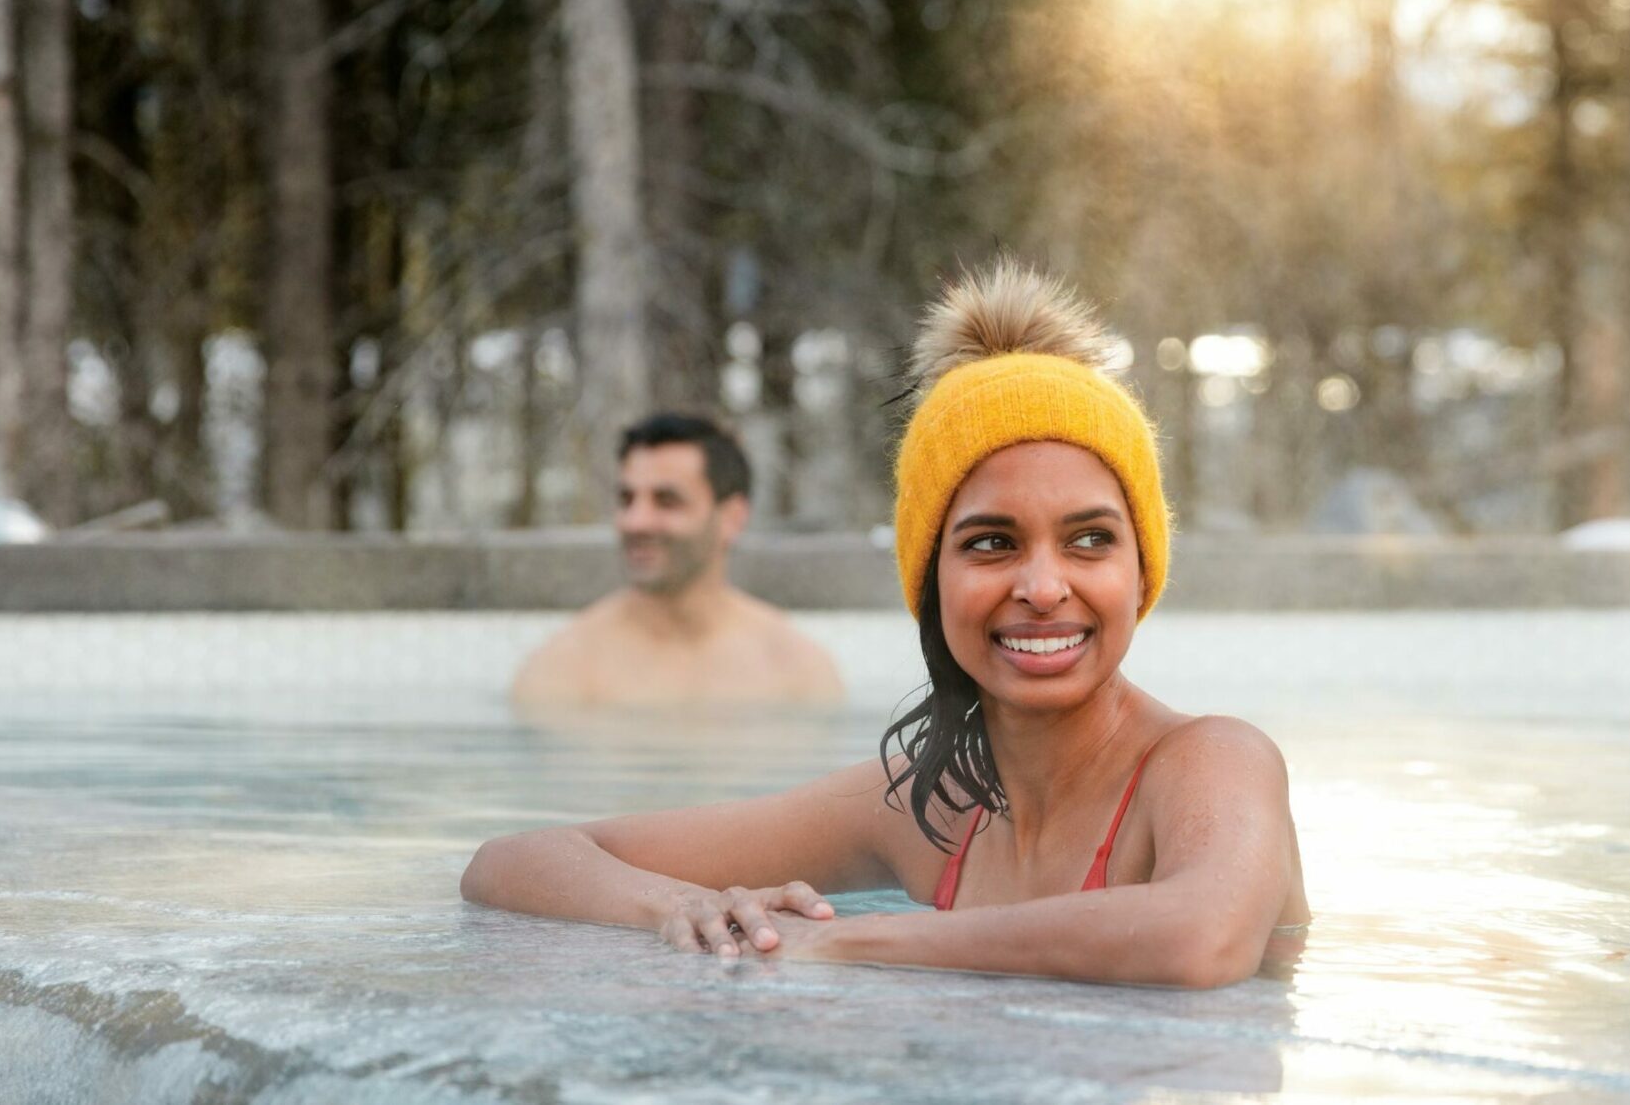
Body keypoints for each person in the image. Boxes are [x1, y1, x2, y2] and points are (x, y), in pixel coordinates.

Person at [464, 262, 1309, 987]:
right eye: (991, 543)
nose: (1044, 587)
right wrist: (678, 906)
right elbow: (513, 861)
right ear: (929, 577)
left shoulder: (1211, 762)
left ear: (1141, 570)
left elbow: (1202, 937)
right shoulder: (921, 807)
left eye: (1090, 539)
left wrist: (849, 940)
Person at [509, 413, 844, 708]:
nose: (634, 522)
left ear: (732, 518)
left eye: (667, 500)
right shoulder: (564, 670)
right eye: (627, 499)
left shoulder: (796, 670)